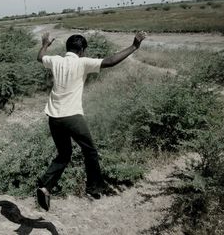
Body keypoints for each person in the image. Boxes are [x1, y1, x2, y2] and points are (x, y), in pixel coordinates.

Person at [36, 31, 147, 211]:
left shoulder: (56, 60)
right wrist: (134, 46)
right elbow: (110, 61)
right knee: (90, 151)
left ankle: (45, 186)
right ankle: (93, 187)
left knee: (64, 155)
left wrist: (45, 44)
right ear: (82, 50)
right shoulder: (82, 62)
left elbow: (40, 57)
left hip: (54, 118)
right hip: (72, 116)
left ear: (68, 48)